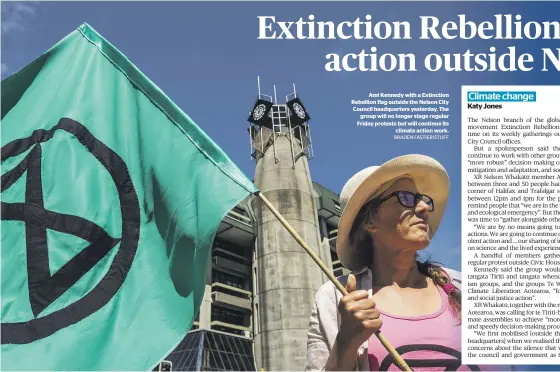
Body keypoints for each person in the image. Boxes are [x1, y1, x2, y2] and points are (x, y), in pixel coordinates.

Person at [306, 154, 471, 371]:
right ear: (371, 221)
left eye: (423, 199)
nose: (424, 207)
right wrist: (346, 343)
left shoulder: (465, 286)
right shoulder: (334, 298)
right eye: (406, 198)